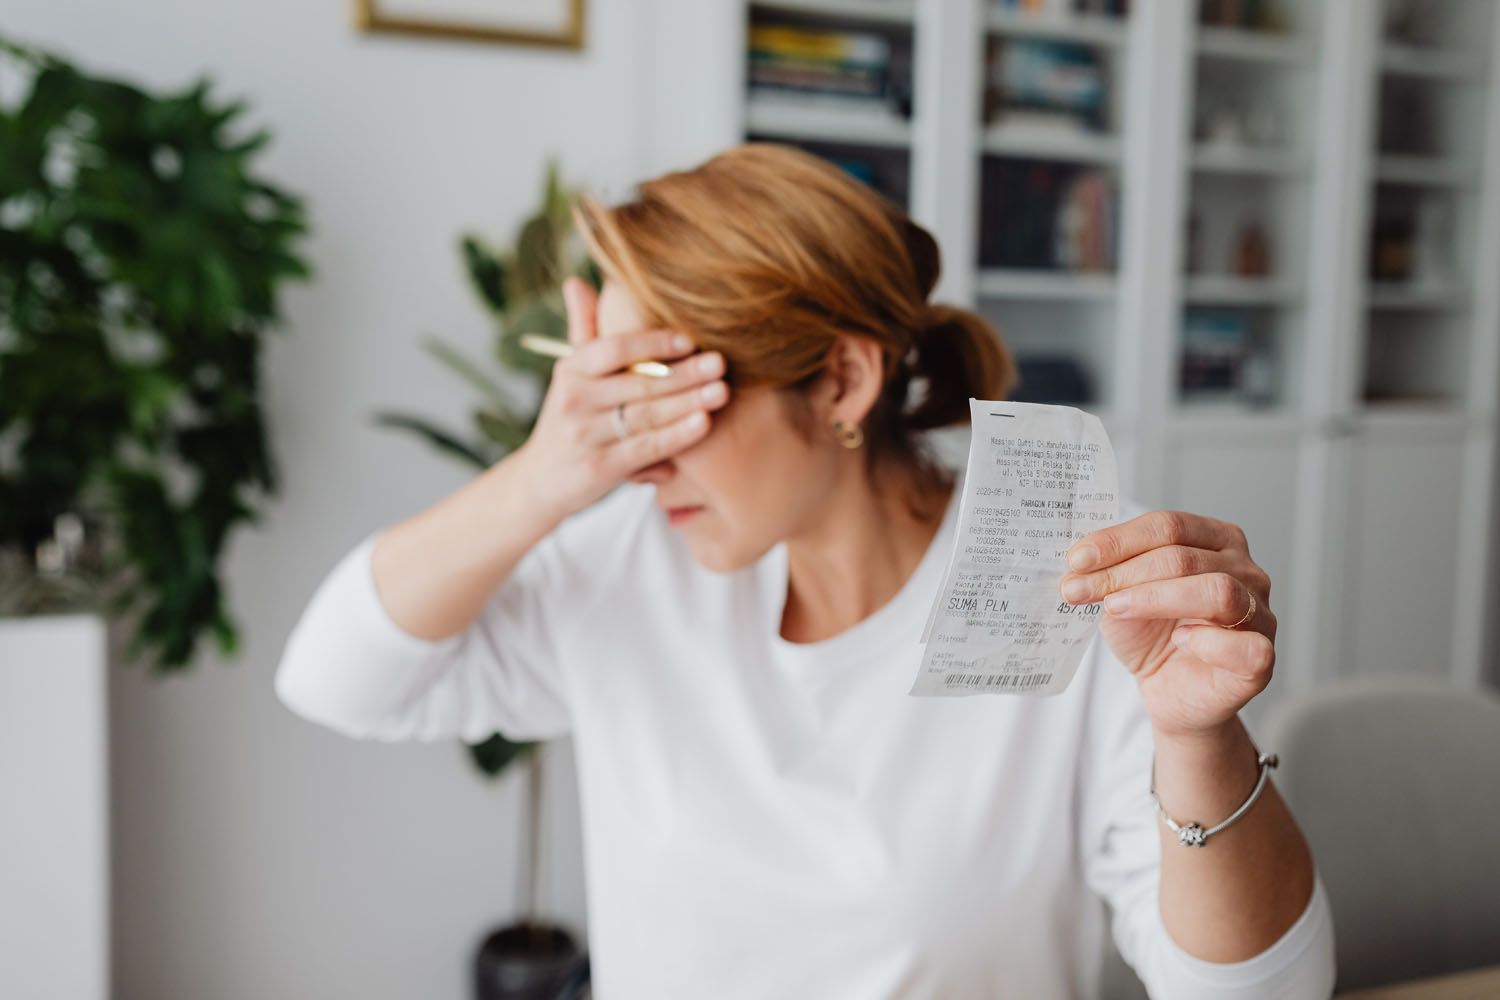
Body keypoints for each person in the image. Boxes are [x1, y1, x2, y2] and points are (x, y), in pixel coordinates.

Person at [275, 143, 1335, 999]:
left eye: (665, 393)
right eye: (614, 405)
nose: (639, 456)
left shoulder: (1067, 590)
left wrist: (1200, 740)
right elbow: (333, 680)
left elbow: (1262, 995)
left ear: (839, 378)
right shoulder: (630, 566)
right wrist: (541, 479)